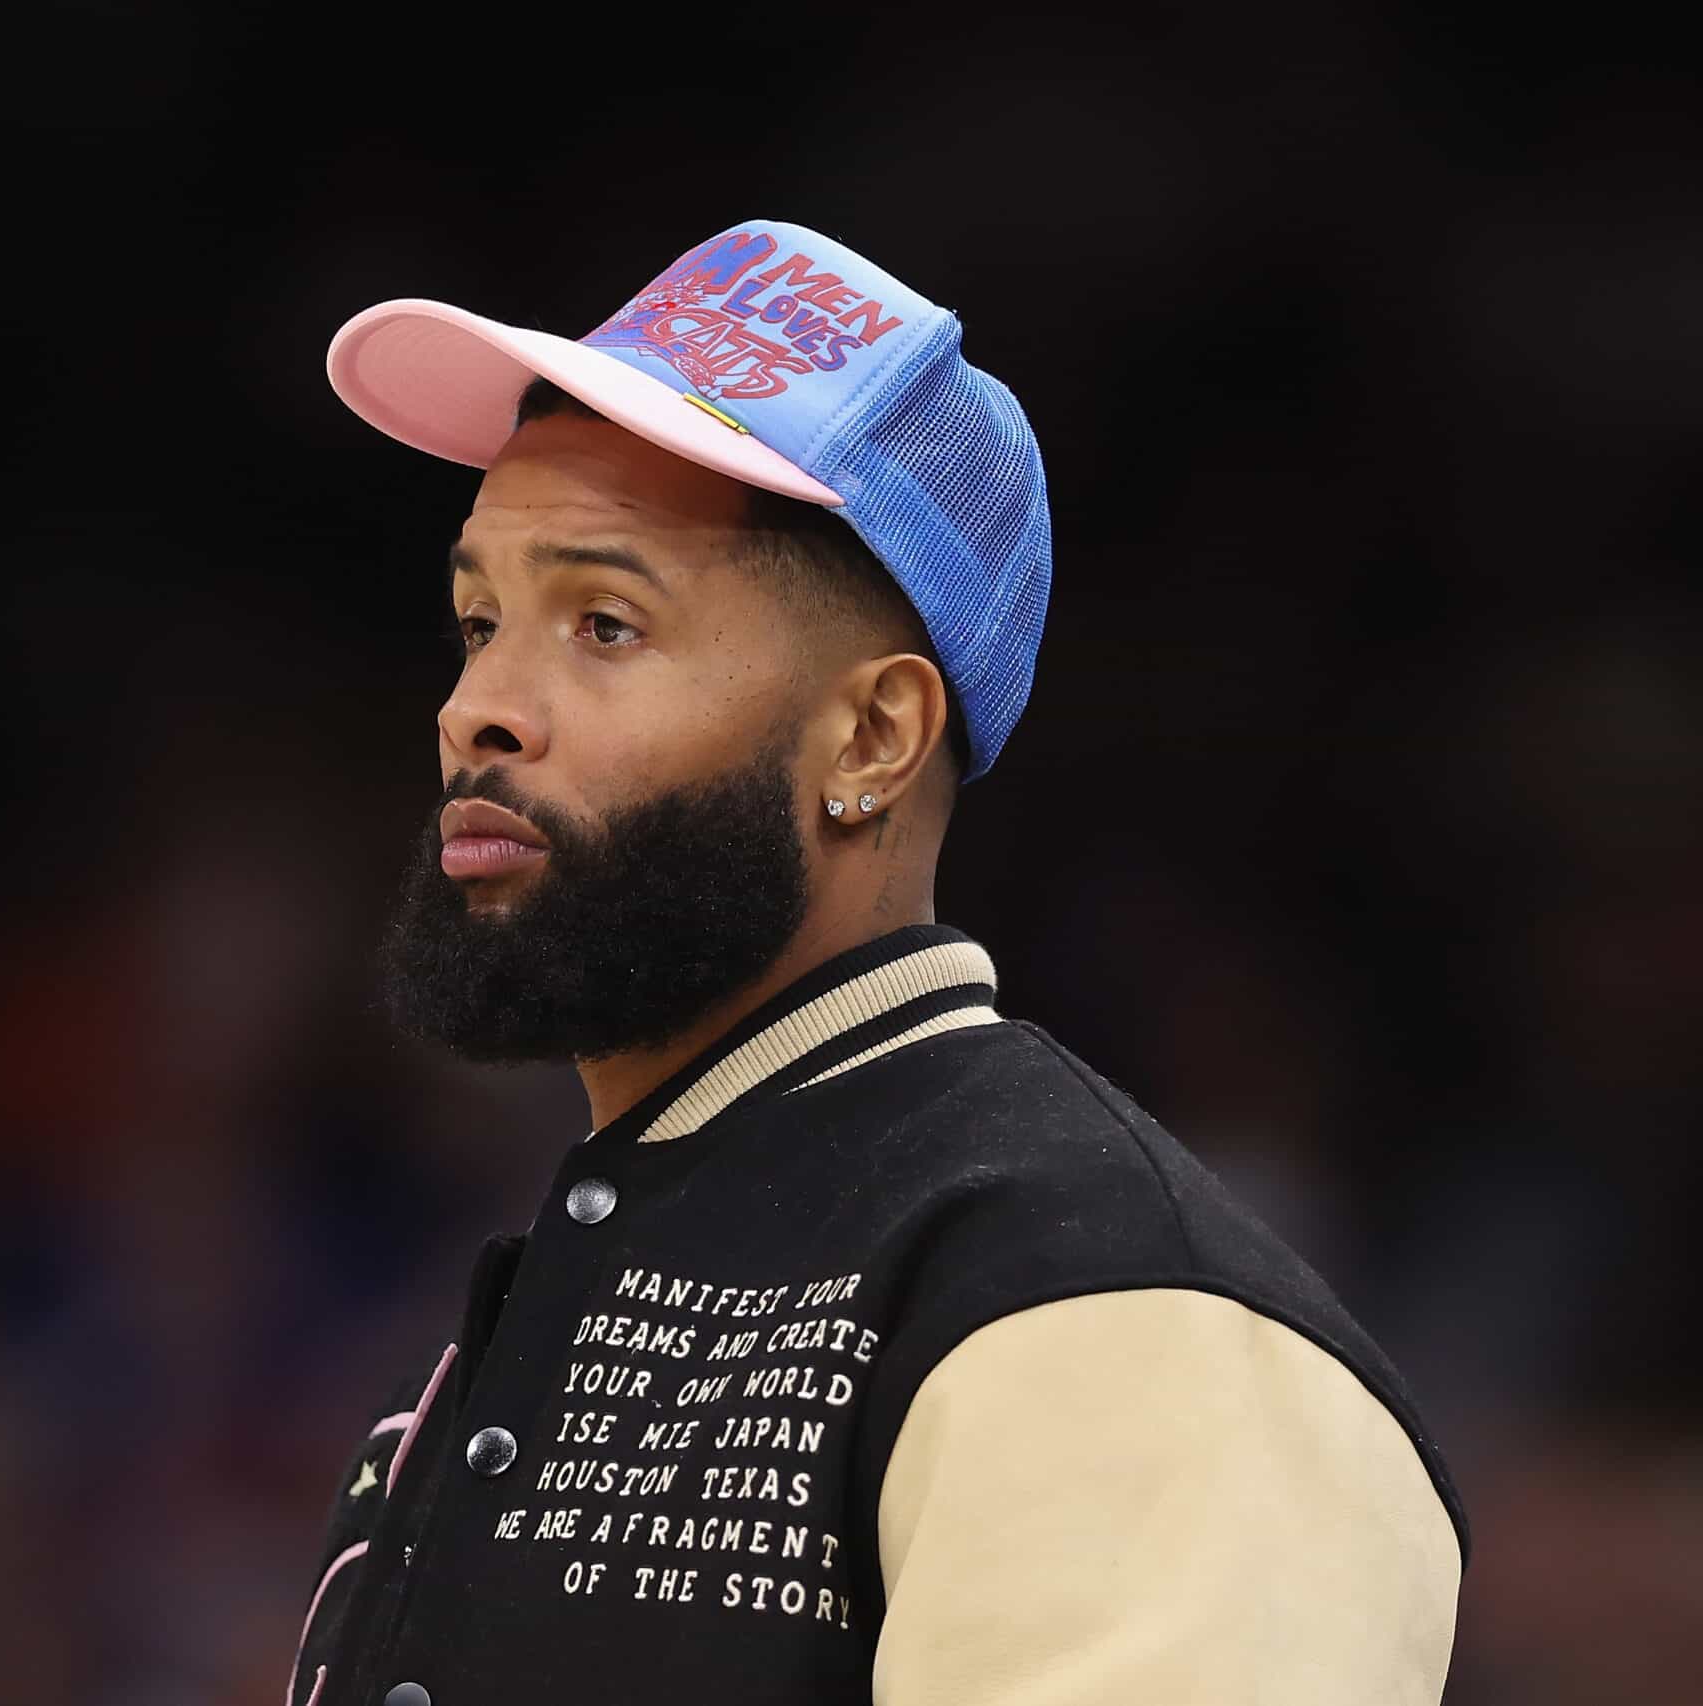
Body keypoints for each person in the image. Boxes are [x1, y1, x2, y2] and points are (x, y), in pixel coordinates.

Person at [287, 220, 1466, 1706]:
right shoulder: (487, 1354)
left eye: (604, 622)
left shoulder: (1119, 1308)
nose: (478, 710)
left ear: (871, 740)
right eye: (477, 619)